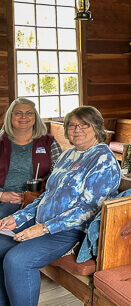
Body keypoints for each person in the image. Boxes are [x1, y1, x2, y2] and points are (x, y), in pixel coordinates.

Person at [0, 106, 120, 305]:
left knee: (18, 261)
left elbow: (89, 209)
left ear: (97, 128)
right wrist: (17, 218)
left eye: (84, 124)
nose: (77, 129)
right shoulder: (68, 155)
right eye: (72, 125)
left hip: (71, 230)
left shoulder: (103, 160)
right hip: (42, 221)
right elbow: (46, 196)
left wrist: (43, 228)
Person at [0, 98, 62, 219]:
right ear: (10, 117)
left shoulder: (49, 143)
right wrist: (2, 195)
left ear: (35, 117)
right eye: (18, 113)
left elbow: (59, 175)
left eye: (29, 113)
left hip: (37, 201)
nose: (24, 116)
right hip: (4, 200)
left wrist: (37, 195)